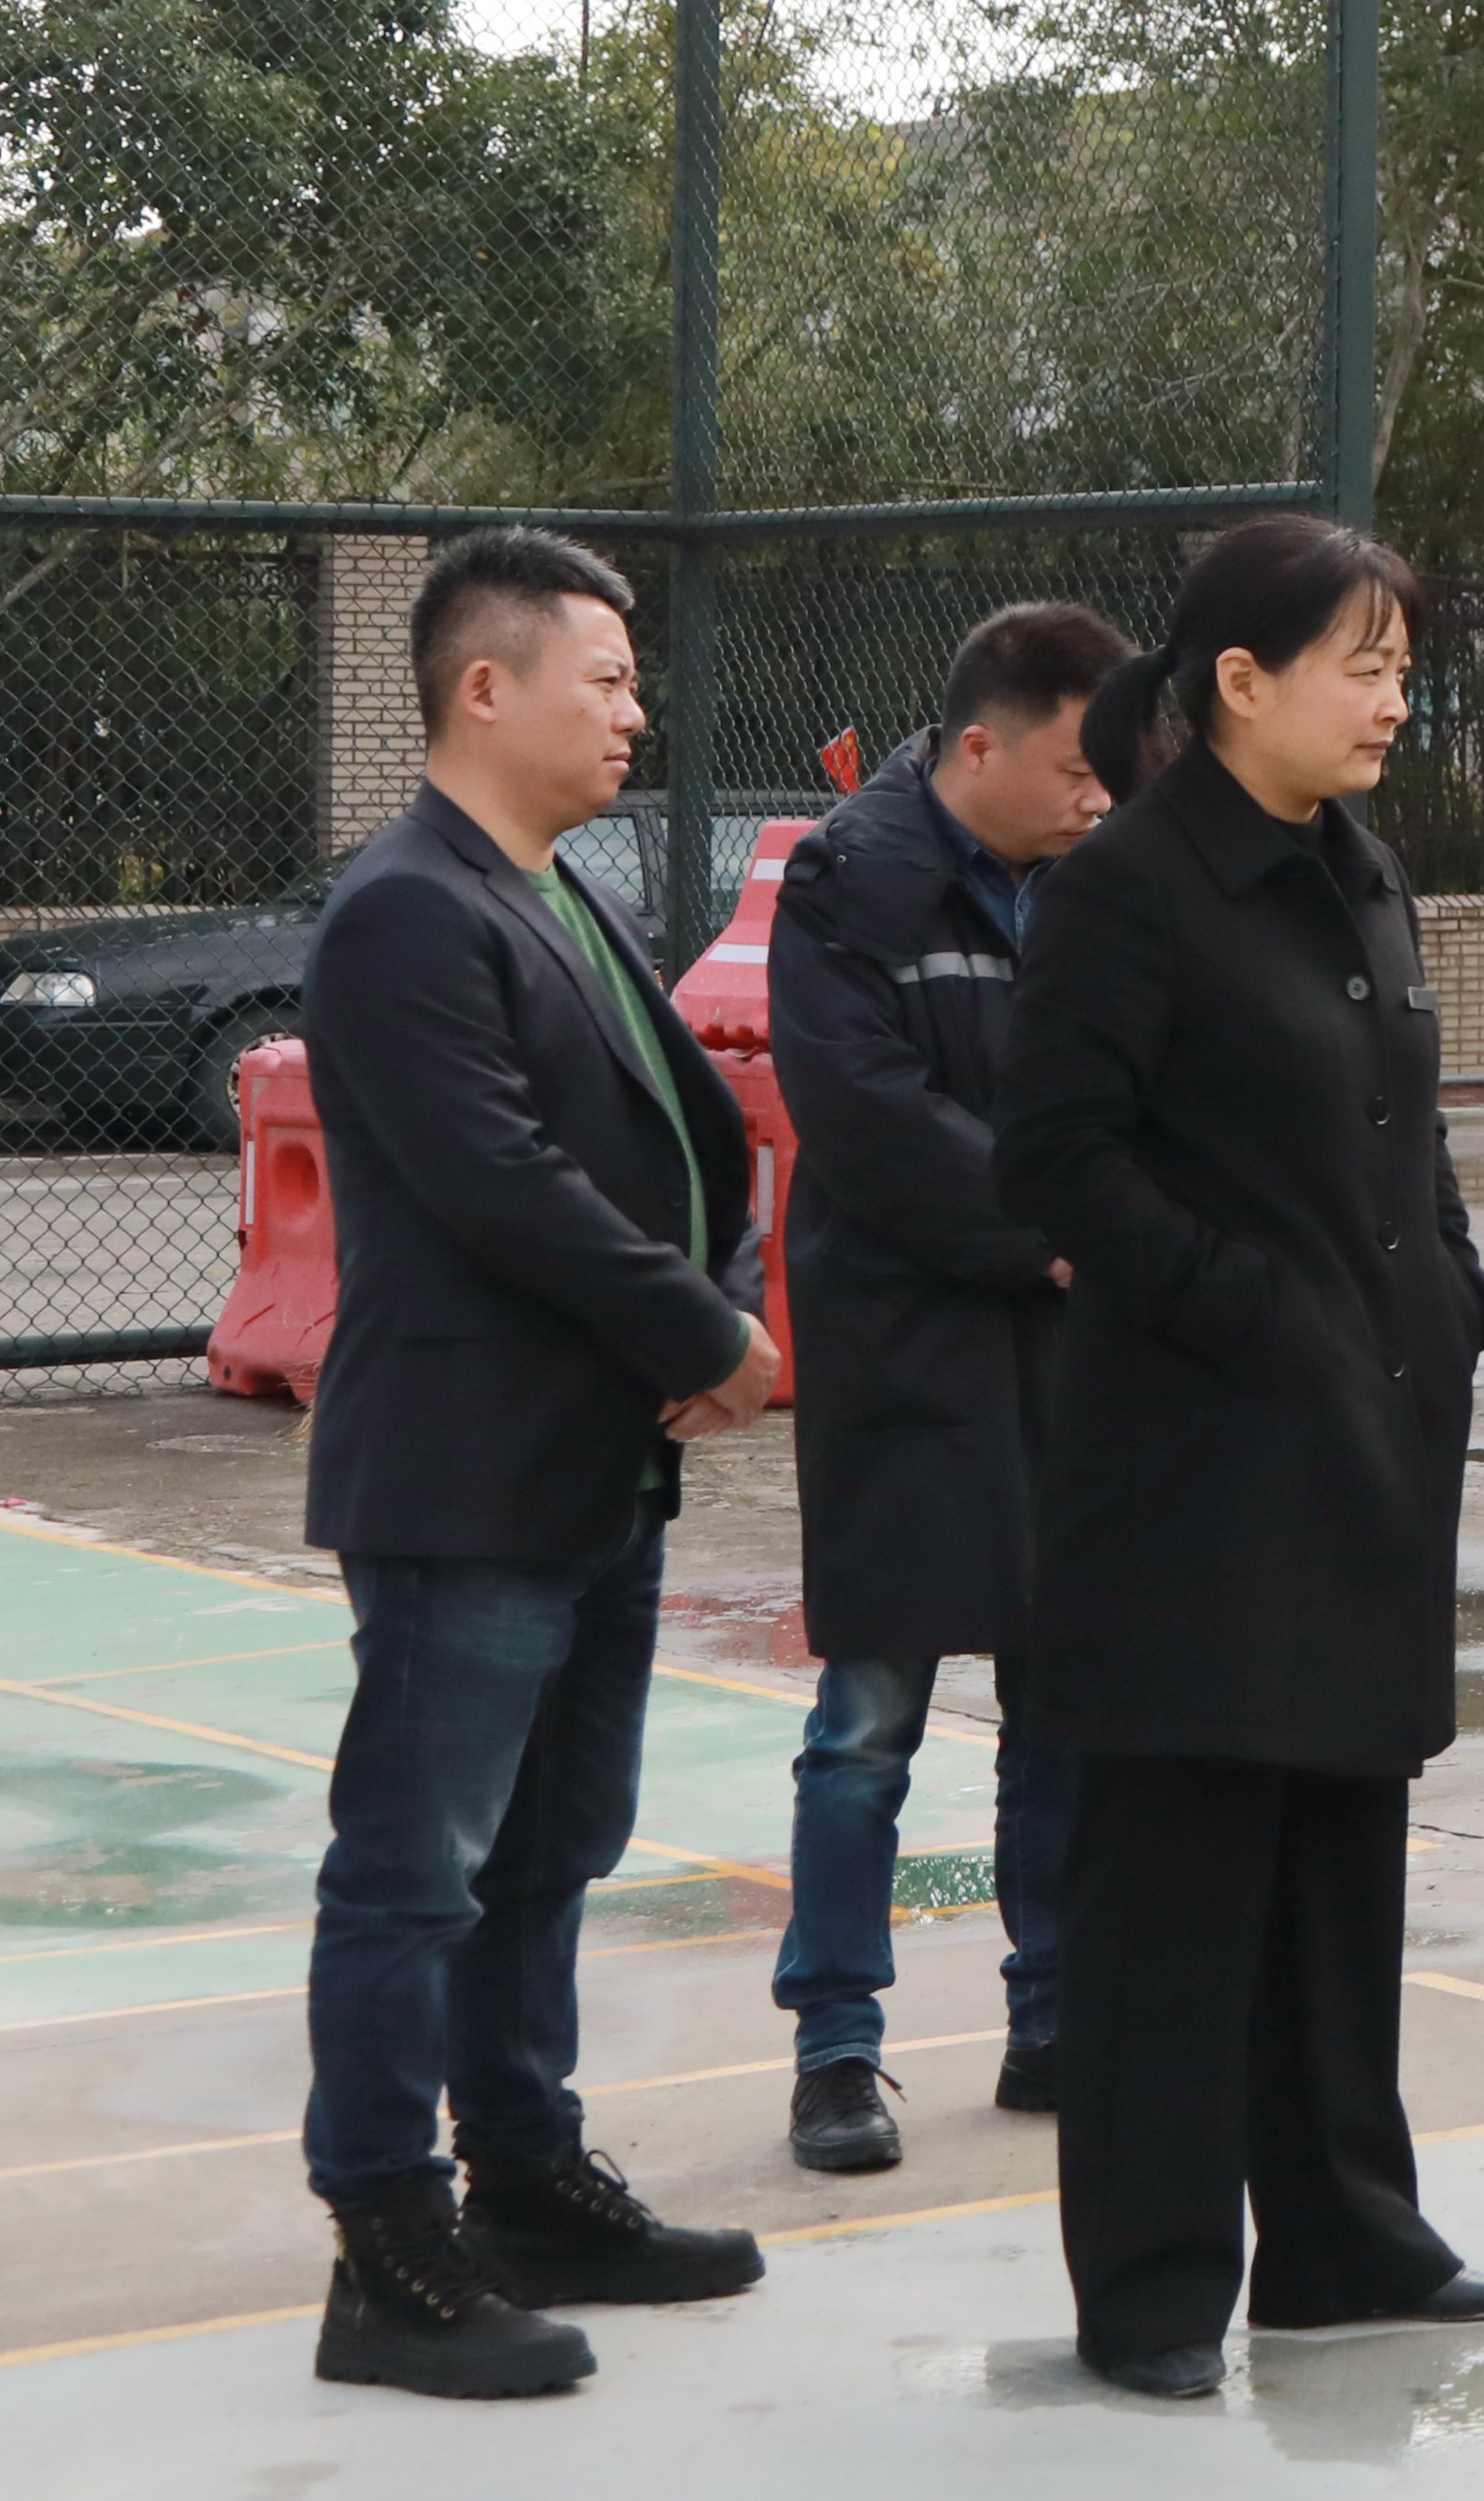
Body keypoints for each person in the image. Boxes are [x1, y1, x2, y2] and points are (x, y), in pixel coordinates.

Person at [993, 518, 1484, 2399]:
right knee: (1179, 1893)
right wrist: (1248, 1313)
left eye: (1402, 668)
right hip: (1199, 1472)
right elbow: (1058, 1161)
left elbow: (1404, 1132)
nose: (1394, 703)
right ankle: (1150, 2287)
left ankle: (1342, 2238)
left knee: (1337, 1865)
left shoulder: (1360, 872)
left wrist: (1450, 1289)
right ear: (1239, 680)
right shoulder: (1130, 890)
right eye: (1363, 667)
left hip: (1368, 1443)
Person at [294, 529, 780, 2402]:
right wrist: (700, 1338)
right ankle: (388, 2246)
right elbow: (497, 1180)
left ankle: (526, 2177)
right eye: (610, 678)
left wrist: (713, 1302)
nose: (637, 712)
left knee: (553, 1849)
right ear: (484, 689)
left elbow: (687, 1139)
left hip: (591, 1467)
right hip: (469, 1479)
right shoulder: (406, 910)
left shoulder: (550, 892)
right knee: (417, 1871)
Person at [764, 597, 1127, 2171]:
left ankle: (1056, 2019)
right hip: (908, 1354)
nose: (1100, 797)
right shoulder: (849, 880)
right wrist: (1061, 1230)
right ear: (981, 747)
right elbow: (866, 1115)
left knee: (1065, 1714)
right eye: (1077, 768)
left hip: (1076, 1357)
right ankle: (837, 2050)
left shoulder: (1101, 882)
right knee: (868, 1724)